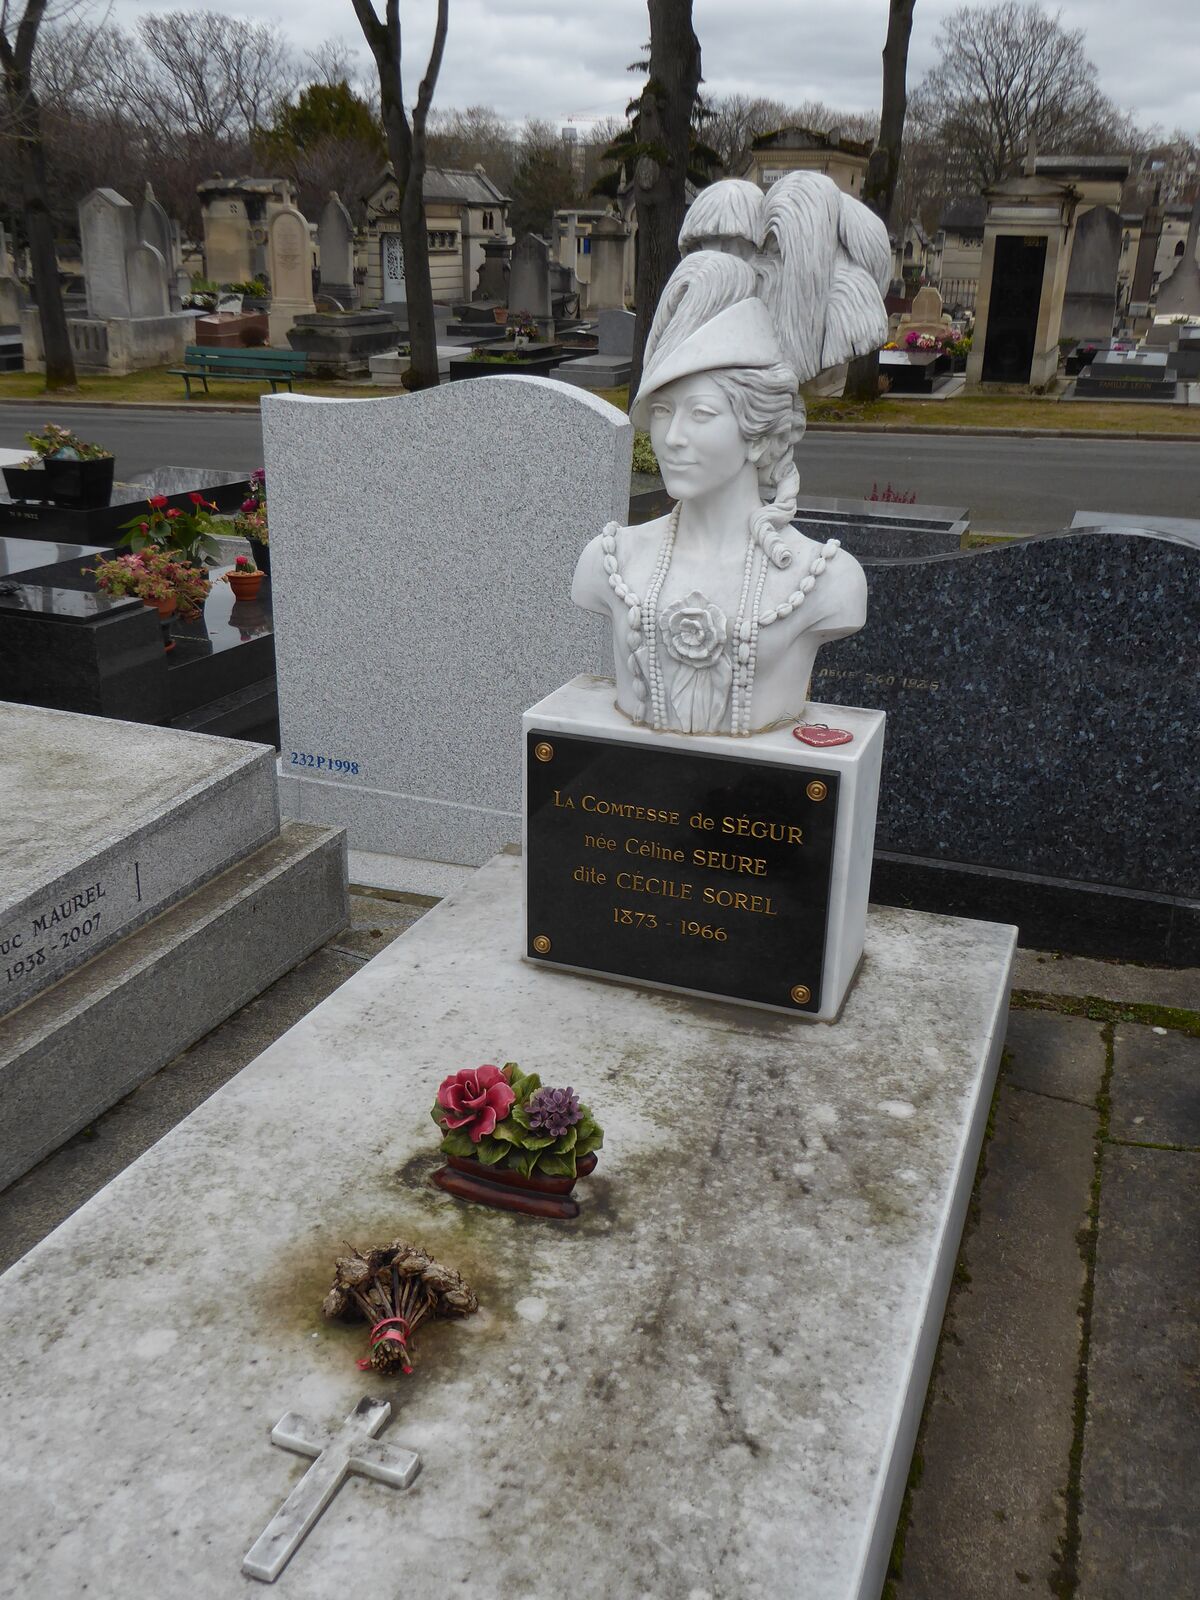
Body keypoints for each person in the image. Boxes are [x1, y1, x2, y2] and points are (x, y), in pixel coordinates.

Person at [573, 177, 890, 737]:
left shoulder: (829, 581)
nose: (670, 439)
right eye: (663, 412)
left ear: (757, 431)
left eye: (700, 414)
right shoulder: (609, 561)